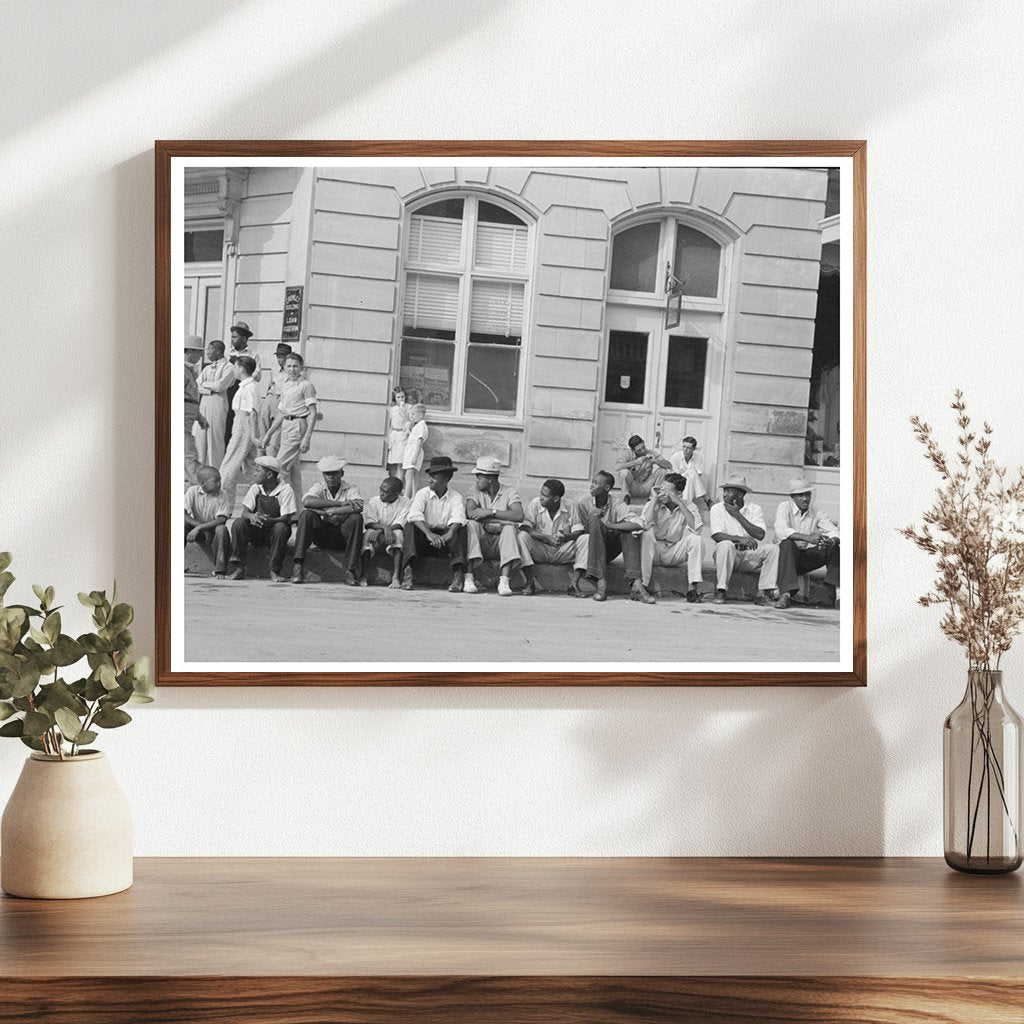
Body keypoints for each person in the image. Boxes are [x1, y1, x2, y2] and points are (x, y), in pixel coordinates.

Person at [570, 470, 650, 603]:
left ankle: (636, 584)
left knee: (629, 531)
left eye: (596, 483)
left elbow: (638, 523)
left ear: (607, 488)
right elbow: (579, 531)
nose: (592, 486)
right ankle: (601, 581)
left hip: (610, 549)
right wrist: (599, 523)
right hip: (592, 551)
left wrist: (610, 526)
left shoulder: (617, 504)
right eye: (592, 483)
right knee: (595, 516)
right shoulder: (583, 504)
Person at [290, 455, 364, 585]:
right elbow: (307, 501)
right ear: (323, 475)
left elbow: (358, 505)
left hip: (342, 536)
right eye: (327, 474)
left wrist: (332, 511)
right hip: (322, 535)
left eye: (334, 473)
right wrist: (340, 505)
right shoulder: (319, 487)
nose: (331, 477)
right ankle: (298, 566)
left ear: (342, 473)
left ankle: (350, 570)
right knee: (307, 515)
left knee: (356, 518)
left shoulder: (350, 488)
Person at [259, 352, 317, 510]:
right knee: (293, 475)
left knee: (277, 468)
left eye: (295, 366)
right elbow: (281, 413)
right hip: (286, 425)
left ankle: (275, 508)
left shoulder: (306, 386)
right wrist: (268, 435)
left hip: (298, 425)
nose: (292, 369)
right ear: (284, 368)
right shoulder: (284, 386)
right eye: (289, 366)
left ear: (302, 368)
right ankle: (297, 512)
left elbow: (312, 413)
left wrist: (307, 438)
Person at [709, 475, 779, 606]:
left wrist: (738, 515)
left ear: (740, 494)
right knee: (725, 544)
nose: (724, 494)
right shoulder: (717, 508)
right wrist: (740, 539)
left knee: (773, 549)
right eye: (724, 490)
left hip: (748, 555)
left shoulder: (754, 509)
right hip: (728, 555)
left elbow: (760, 534)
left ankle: (763, 593)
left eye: (729, 491)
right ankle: (721, 590)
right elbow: (716, 535)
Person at [226, 456, 297, 582]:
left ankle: (274, 570)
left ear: (269, 474)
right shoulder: (256, 488)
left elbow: (286, 517)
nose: (254, 474)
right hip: (257, 531)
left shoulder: (285, 490)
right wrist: (253, 516)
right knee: (238, 523)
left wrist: (270, 521)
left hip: (274, 534)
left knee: (280, 528)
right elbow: (244, 513)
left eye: (258, 471)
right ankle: (239, 567)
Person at [402, 455, 467, 592]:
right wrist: (429, 533)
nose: (430, 480)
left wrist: (449, 533)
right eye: (430, 476)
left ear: (446, 480)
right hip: (425, 540)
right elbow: (414, 514)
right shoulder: (422, 494)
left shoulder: (456, 497)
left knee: (461, 528)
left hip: (444, 542)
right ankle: (408, 572)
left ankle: (458, 574)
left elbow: (459, 516)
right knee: (410, 525)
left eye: (435, 477)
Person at [774, 478, 840, 609]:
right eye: (800, 495)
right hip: (786, 560)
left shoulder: (816, 511)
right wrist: (808, 538)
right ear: (793, 497)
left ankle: (839, 595)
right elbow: (782, 531)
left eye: (807, 494)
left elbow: (834, 531)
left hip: (804, 557)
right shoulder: (784, 507)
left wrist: (831, 540)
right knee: (787, 543)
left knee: (834, 547)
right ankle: (785, 595)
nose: (805, 499)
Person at [638, 472, 703, 603]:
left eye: (666, 491)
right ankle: (643, 585)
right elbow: (644, 524)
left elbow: (697, 528)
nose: (662, 493)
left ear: (678, 493)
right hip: (654, 550)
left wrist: (679, 503)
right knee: (645, 535)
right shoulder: (654, 502)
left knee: (697, 540)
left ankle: (692, 588)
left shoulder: (688, 505)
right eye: (661, 489)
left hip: (674, 551)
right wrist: (654, 500)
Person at [516, 479, 588, 597]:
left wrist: (566, 537)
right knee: (522, 536)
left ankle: (573, 585)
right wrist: (546, 538)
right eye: (541, 494)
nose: (541, 498)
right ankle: (529, 583)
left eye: (545, 495)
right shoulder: (535, 504)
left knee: (586, 539)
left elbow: (578, 530)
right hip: (541, 549)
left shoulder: (570, 505)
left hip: (562, 550)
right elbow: (525, 527)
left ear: (556, 498)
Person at [464, 456, 524, 597]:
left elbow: (518, 515)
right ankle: (469, 578)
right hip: (482, 541)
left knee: (510, 529)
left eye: (479, 476)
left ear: (489, 478)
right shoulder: (474, 491)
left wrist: (490, 512)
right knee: (471, 525)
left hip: (500, 543)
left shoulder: (510, 491)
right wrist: (503, 520)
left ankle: (504, 581)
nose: (477, 480)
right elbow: (470, 513)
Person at [218, 355, 260, 506]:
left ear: (242, 368)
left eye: (235, 367)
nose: (234, 370)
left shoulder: (250, 387)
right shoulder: (245, 386)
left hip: (244, 427)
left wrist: (253, 436)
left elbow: (253, 412)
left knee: (229, 466)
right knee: (251, 470)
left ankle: (224, 505)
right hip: (241, 424)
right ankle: (257, 502)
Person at [360, 476, 411, 589]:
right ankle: (364, 574)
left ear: (396, 494)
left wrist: (387, 529)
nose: (381, 494)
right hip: (377, 532)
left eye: (385, 492)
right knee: (368, 533)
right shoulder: (374, 500)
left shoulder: (405, 502)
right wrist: (383, 528)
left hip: (392, 533)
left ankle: (396, 576)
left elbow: (400, 522)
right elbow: (369, 522)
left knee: (398, 534)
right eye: (380, 490)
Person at [183, 466, 231, 577]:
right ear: (202, 483)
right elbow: (183, 513)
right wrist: (199, 527)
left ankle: (220, 569)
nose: (219, 483)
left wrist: (200, 527)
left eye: (220, 480)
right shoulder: (192, 491)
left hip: (213, 531)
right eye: (215, 481)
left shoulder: (222, 495)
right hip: (195, 530)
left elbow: (222, 519)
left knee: (222, 529)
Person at [195, 339, 234, 469]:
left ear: (218, 351)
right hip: (204, 402)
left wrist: (204, 386)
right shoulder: (207, 368)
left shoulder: (229, 367)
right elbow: (196, 385)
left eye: (209, 350)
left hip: (218, 402)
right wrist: (207, 388)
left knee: (214, 438)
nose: (207, 353)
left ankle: (215, 470)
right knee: (201, 437)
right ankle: (200, 471)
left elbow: (220, 386)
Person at [224, 321, 262, 446]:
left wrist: (245, 373)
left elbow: (258, 375)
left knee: (242, 423)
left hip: (244, 389)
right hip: (229, 390)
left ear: (244, 338)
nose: (232, 340)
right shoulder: (228, 353)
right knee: (227, 423)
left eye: (235, 337)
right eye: (232, 337)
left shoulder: (252, 355)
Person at [257, 342, 293, 458]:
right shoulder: (274, 369)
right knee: (262, 429)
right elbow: (270, 384)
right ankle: (260, 462)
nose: (279, 359)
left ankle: (271, 464)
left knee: (275, 436)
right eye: (278, 356)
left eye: (281, 356)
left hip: (281, 401)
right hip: (270, 398)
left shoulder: (292, 371)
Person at [616, 434, 672, 505]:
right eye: (639, 450)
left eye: (643, 447)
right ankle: (626, 497)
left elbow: (669, 466)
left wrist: (655, 461)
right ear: (633, 450)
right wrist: (635, 462)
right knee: (624, 472)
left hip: (647, 485)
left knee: (662, 471)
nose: (642, 451)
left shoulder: (650, 453)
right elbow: (617, 467)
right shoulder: (627, 454)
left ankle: (653, 497)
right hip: (634, 486)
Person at [183, 335, 207, 488]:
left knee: (188, 451)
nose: (200, 356)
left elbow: (191, 397)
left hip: (190, 416)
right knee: (189, 452)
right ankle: (197, 485)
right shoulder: (182, 370)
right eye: (198, 352)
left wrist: (199, 416)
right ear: (189, 351)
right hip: (183, 416)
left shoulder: (189, 370)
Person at [668, 435, 710, 520]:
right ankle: (705, 497)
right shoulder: (675, 457)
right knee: (692, 472)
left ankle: (686, 503)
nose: (685, 450)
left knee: (692, 476)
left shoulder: (698, 457)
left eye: (689, 448)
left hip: (692, 485)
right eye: (684, 446)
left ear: (694, 449)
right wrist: (688, 473)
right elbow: (674, 477)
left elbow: (698, 476)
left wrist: (689, 475)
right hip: (676, 483)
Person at [402, 403, 428, 499]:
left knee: (409, 475)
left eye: (413, 414)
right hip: (411, 450)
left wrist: (414, 456)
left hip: (414, 451)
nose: (411, 416)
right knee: (413, 475)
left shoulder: (422, 426)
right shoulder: (417, 426)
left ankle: (406, 497)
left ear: (420, 415)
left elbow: (419, 442)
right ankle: (414, 496)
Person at [385, 386, 410, 479]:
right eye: (398, 397)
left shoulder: (408, 407)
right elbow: (390, 424)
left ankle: (399, 483)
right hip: (394, 436)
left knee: (400, 463)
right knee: (392, 463)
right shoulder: (392, 409)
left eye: (402, 397)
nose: (401, 399)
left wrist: (403, 413)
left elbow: (409, 422)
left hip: (403, 436)